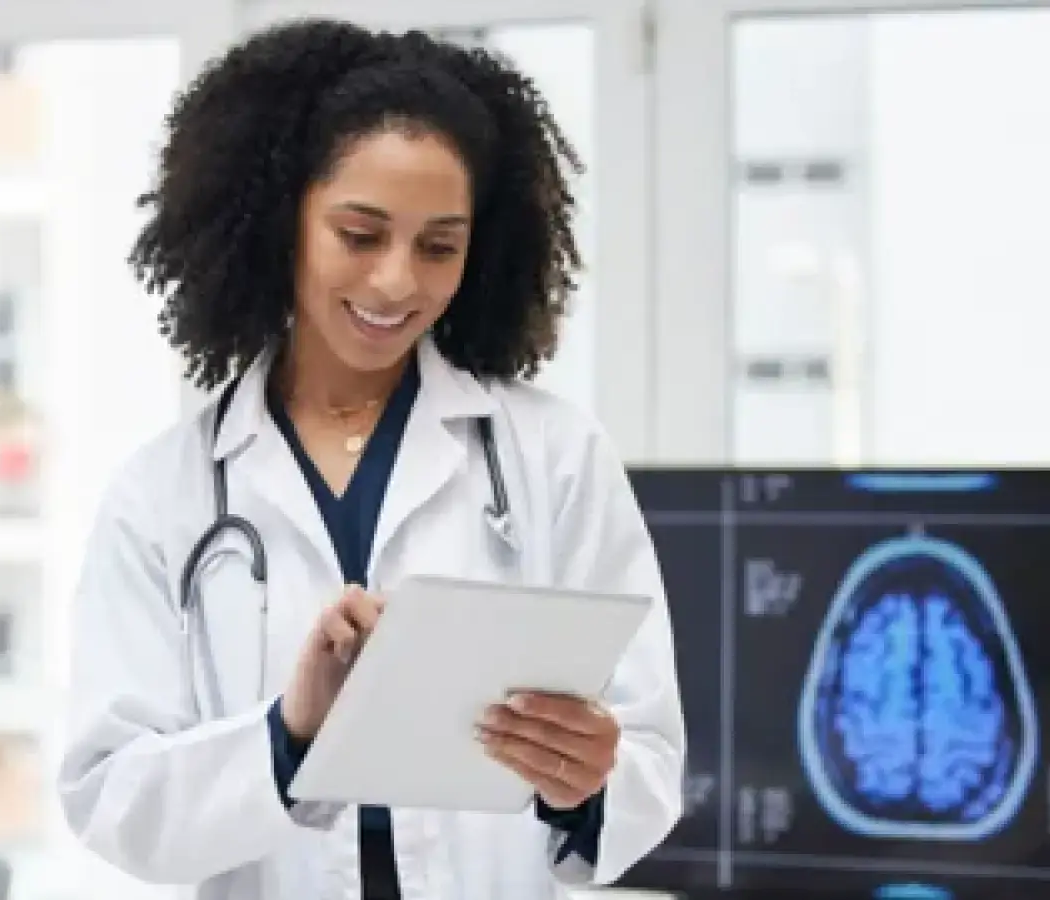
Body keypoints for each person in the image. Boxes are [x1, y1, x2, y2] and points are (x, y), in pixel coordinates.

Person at [57, 17, 684, 900]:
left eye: (439, 246)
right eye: (360, 234)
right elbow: (112, 794)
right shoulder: (165, 494)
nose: (397, 282)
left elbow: (649, 756)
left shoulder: (554, 459)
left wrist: (585, 782)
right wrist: (291, 733)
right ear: (283, 223)